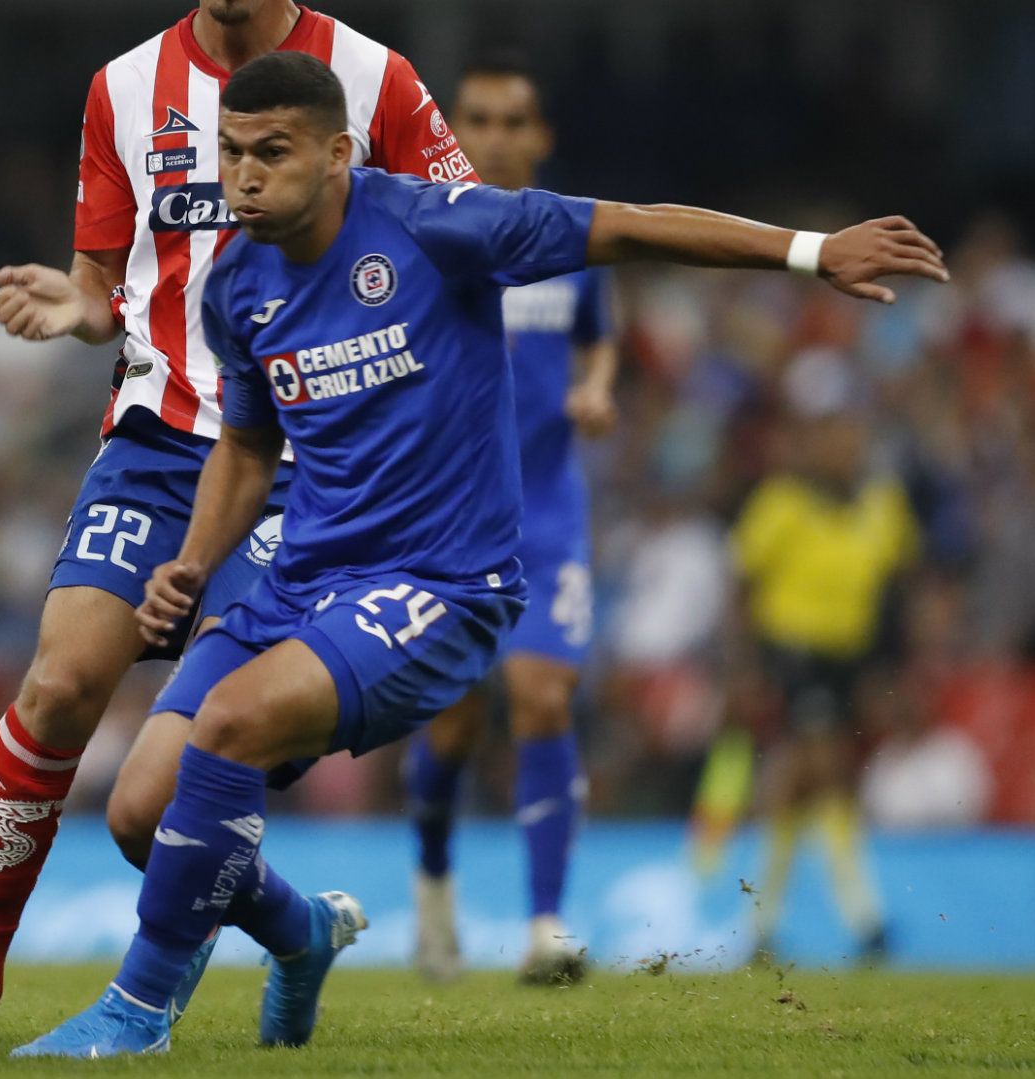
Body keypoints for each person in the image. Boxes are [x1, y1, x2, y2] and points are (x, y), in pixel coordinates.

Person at [16, 51, 946, 1059]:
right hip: (303, 580)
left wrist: (813, 252)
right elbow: (246, 445)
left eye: (271, 152)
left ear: (337, 154)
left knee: (230, 724)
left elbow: (627, 225)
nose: (243, 176)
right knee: (144, 809)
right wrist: (194, 562)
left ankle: (138, 1011)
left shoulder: (441, 226)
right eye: (231, 152)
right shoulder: (235, 284)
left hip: (444, 586)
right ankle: (302, 931)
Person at [0, 0, 472, 1049]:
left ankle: (216, 964)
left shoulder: (372, 75)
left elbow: (465, 227)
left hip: (305, 460)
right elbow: (100, 281)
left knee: (154, 796)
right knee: (60, 683)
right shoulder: (121, 89)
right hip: (158, 439)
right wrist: (78, 311)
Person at [399, 54, 617, 987]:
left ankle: (546, 925)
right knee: (449, 728)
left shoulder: (568, 237)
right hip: (447, 516)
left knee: (542, 697)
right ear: (454, 131)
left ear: (541, 137)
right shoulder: (421, 235)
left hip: (550, 510)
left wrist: (597, 388)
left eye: (512, 121)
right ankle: (434, 890)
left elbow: (598, 335)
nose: (494, 137)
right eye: (477, 119)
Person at [727, 353, 919, 963]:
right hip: (793, 654)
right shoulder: (782, 502)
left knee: (806, 787)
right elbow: (741, 587)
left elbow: (902, 586)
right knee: (824, 769)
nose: (847, 444)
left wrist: (895, 667)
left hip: (851, 660)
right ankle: (866, 919)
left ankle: (759, 927)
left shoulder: (880, 505)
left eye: (853, 430)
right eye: (834, 432)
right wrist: (746, 669)